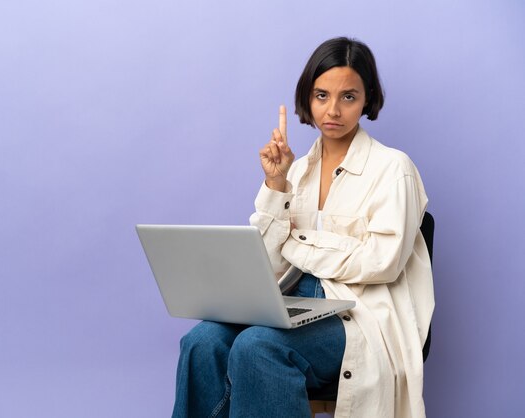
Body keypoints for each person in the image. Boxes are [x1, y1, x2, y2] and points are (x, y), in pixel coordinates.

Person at [171, 37, 434, 418]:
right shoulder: (296, 171)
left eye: (348, 96)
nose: (333, 110)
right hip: (291, 300)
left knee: (258, 346)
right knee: (202, 341)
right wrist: (276, 187)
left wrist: (298, 243)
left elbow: (383, 262)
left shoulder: (394, 169)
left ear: (367, 98)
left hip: (358, 316)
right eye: (321, 95)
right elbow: (269, 264)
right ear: (307, 98)